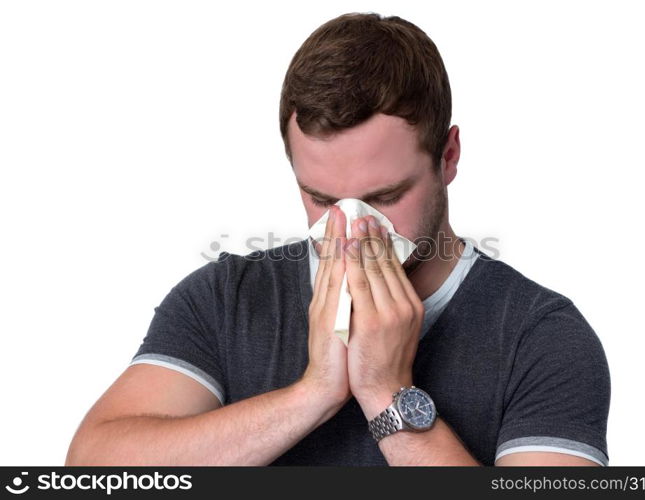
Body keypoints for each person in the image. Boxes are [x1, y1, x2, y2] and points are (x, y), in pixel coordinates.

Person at [65, 12, 610, 466]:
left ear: (448, 158)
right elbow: (93, 467)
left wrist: (386, 394)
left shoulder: (539, 335)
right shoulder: (225, 297)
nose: (352, 229)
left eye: (385, 196)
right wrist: (314, 393)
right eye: (322, 199)